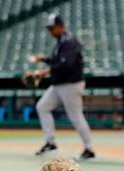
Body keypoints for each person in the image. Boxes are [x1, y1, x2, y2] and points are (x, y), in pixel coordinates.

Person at [31, 13, 95, 160]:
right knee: (42, 107)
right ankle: (51, 143)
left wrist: (45, 72)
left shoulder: (69, 41)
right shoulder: (61, 41)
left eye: (52, 28)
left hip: (71, 84)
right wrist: (44, 59)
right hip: (59, 84)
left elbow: (66, 64)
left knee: (76, 117)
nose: (50, 31)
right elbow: (57, 60)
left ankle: (89, 149)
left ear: (60, 26)